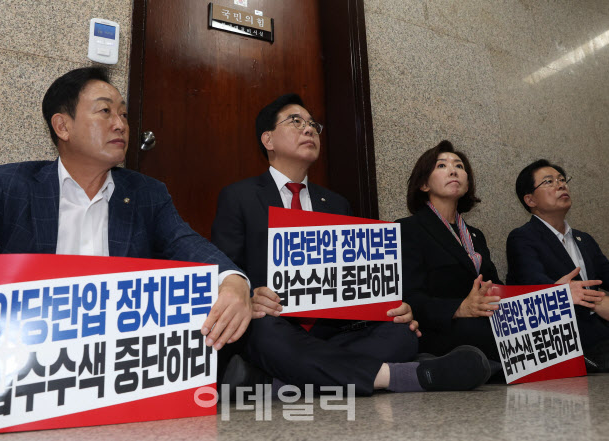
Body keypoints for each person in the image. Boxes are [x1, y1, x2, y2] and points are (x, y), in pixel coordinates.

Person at [0, 67, 251, 429]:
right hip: (24, 347)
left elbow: (187, 244)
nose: (120, 124)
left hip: (116, 356)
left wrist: (233, 281)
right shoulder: (12, 185)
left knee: (245, 307)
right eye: (105, 111)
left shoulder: (147, 194)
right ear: (63, 126)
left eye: (124, 114)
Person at [211, 95, 490, 396]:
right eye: (296, 121)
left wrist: (390, 306)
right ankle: (402, 376)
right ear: (268, 139)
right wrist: (249, 296)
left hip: (330, 333)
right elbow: (225, 269)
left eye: (313, 124)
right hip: (273, 324)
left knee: (401, 332)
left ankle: (272, 382)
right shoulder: (238, 197)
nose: (309, 129)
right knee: (262, 330)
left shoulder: (336, 204)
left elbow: (354, 284)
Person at [397, 140, 502, 362]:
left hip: (483, 321)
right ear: (424, 184)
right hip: (439, 330)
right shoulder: (407, 229)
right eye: (442, 165)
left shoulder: (475, 235)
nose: (453, 170)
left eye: (459, 166)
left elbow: (495, 287)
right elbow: (409, 297)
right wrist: (459, 308)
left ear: (467, 184)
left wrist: (547, 293)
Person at [506, 159, 609, 370]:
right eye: (549, 181)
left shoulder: (584, 239)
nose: (560, 185)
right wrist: (594, 301)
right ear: (530, 200)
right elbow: (533, 284)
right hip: (564, 337)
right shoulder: (522, 238)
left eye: (562, 180)